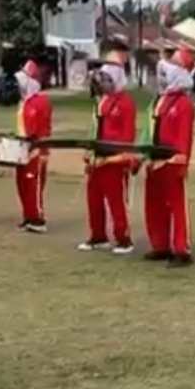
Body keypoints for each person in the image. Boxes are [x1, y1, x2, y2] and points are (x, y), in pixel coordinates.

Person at [79, 50, 137, 254]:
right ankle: (98, 235)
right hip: (98, 158)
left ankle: (123, 238)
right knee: (93, 198)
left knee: (116, 201)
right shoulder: (101, 102)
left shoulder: (125, 103)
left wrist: (117, 156)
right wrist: (90, 151)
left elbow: (127, 135)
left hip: (115, 159)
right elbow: (94, 127)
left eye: (108, 79)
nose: (104, 83)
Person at [144, 47, 195, 267]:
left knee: (176, 206)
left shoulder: (183, 103)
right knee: (154, 205)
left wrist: (181, 159)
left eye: (174, 63)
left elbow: (183, 135)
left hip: (173, 161)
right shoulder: (161, 99)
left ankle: (181, 248)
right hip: (155, 160)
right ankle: (160, 245)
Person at [15, 59, 52, 233]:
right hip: (23, 149)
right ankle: (28, 215)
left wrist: (35, 145)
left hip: (36, 149)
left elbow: (39, 128)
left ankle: (37, 218)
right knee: (23, 184)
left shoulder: (40, 102)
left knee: (33, 184)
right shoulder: (26, 102)